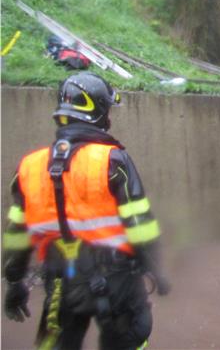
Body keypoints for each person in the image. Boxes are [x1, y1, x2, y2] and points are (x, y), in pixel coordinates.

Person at [3, 72, 169, 349]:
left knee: (55, 343)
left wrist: (14, 281)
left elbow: (17, 234)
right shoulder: (113, 160)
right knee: (130, 339)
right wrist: (155, 268)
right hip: (118, 281)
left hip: (60, 281)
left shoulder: (29, 167)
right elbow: (140, 224)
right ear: (100, 112)